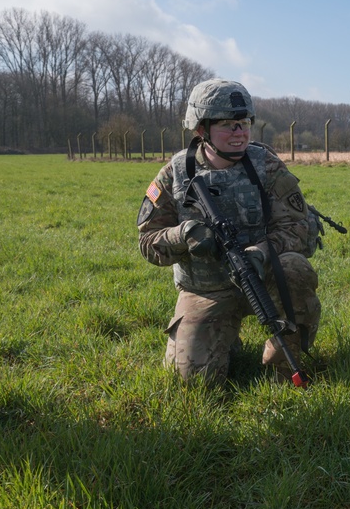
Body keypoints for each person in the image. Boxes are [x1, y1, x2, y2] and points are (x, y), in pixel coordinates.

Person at [137, 78, 321, 385]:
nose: (239, 132)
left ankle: (281, 364)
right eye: (226, 124)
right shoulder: (175, 174)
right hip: (206, 289)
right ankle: (222, 335)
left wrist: (262, 252)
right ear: (200, 129)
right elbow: (147, 241)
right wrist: (184, 235)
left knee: (296, 270)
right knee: (195, 382)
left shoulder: (267, 165)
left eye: (243, 122)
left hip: (263, 278)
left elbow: (298, 227)